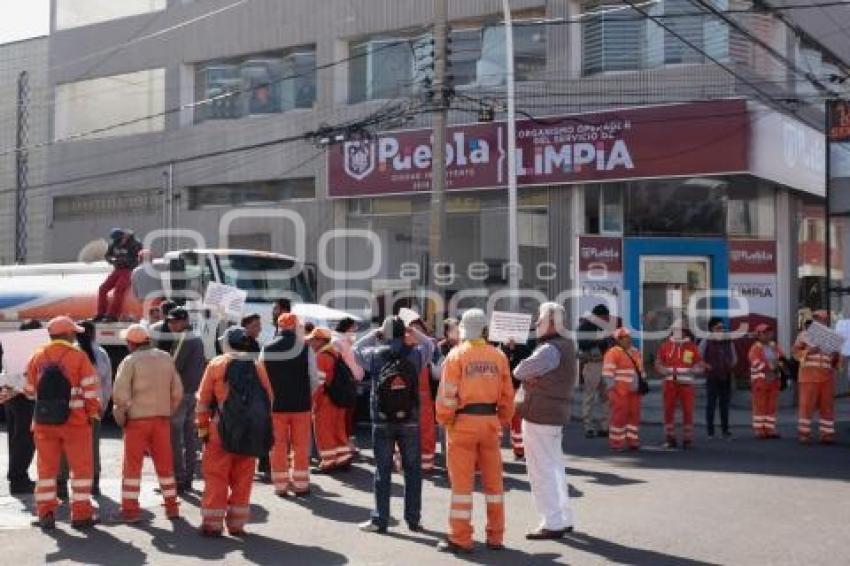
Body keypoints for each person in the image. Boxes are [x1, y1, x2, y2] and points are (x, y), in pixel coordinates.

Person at [435, 309, 515, 554]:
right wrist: (502, 418)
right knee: (494, 483)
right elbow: (507, 395)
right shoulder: (499, 356)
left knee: (462, 485)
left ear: (463, 330)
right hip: (489, 423)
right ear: (483, 329)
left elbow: (447, 394)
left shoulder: (456, 355)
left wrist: (445, 420)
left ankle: (460, 537)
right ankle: (496, 536)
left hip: (463, 424)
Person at [354, 316, 433, 534]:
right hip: (410, 420)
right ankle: (414, 520)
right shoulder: (416, 355)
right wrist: (413, 332)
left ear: (384, 333)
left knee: (383, 471)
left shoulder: (374, 355)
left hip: (381, 420)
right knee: (412, 471)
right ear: (402, 333)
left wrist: (375, 332)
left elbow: (356, 348)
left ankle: (380, 520)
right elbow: (430, 345)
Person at [24, 316, 101, 530]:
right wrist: (92, 414)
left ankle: (46, 513)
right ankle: (81, 515)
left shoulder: (37, 356)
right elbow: (91, 393)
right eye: (74, 332)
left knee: (46, 470)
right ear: (68, 334)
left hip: (44, 423)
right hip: (75, 424)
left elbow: (29, 393)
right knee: (81, 469)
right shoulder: (79, 357)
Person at [196, 326, 274, 537]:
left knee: (215, 476)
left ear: (227, 343)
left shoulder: (217, 364)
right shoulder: (257, 365)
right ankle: (237, 525)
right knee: (243, 479)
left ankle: (212, 524)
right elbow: (269, 399)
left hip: (220, 431)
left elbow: (203, 402)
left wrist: (203, 430)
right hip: (249, 432)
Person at [513, 302, 576, 540]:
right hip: (554, 413)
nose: (536, 324)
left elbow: (519, 371)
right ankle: (562, 517)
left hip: (541, 413)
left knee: (541, 470)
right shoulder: (566, 344)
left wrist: (532, 378)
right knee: (554, 466)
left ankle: (552, 522)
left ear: (551, 323)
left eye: (540, 320)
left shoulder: (549, 349)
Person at [112, 324, 184, 522]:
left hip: (137, 421)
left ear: (131, 343)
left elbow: (120, 395)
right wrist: (168, 411)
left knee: (132, 467)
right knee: (165, 465)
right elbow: (177, 391)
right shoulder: (165, 358)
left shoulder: (130, 361)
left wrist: (121, 416)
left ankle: (130, 510)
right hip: (161, 420)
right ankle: (172, 507)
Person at [262, 313, 320, 496]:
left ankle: (280, 486)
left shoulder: (267, 348)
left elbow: (262, 377)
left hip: (275, 406)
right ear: (295, 327)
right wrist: (306, 395)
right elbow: (314, 378)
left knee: (277, 446)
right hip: (300, 406)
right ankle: (301, 485)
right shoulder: (305, 347)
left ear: (279, 327)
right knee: (301, 445)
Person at [58, 321, 112, 499]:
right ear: (94, 334)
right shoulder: (101, 354)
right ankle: (94, 483)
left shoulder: (68, 353)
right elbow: (106, 384)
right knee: (92, 447)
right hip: (93, 408)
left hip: (68, 410)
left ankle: (62, 484)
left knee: (65, 448)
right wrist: (103, 405)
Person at [162, 307, 207, 493]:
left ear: (184, 321)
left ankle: (179, 478)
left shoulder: (184, 338)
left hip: (182, 395)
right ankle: (187, 478)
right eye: (170, 321)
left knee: (175, 438)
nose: (171, 324)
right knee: (189, 439)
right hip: (194, 393)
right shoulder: (195, 338)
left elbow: (173, 366)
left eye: (174, 321)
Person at [0, 320, 42, 495]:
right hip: (24, 398)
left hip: (12, 398)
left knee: (16, 440)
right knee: (24, 440)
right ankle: (19, 480)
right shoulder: (32, 351)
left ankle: (16, 477)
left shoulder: (11, 349)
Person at [308, 327, 353, 472]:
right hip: (338, 398)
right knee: (338, 429)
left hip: (326, 399)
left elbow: (319, 383)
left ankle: (328, 462)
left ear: (320, 340)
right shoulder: (334, 353)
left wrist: (314, 401)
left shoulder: (321, 356)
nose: (311, 343)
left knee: (324, 430)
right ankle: (343, 457)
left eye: (313, 340)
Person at [655, 322, 705, 449]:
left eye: (681, 330)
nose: (678, 333)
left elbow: (700, 364)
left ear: (685, 332)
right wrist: (662, 370)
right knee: (668, 410)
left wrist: (695, 369)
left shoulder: (692, 347)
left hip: (686, 384)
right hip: (669, 383)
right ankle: (670, 439)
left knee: (688, 411)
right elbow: (658, 363)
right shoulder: (665, 346)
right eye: (675, 330)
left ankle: (687, 440)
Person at [793, 310, 840, 444]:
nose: (820, 321)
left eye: (822, 319)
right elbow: (795, 354)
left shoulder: (832, 337)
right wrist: (808, 351)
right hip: (809, 377)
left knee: (827, 407)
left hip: (827, 378)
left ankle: (827, 434)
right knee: (806, 406)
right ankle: (804, 434)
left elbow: (836, 361)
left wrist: (836, 355)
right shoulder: (804, 335)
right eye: (817, 319)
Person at [602, 327, 643, 452]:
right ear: (618, 340)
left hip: (634, 391)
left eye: (629, 337)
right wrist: (611, 390)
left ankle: (633, 441)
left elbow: (641, 371)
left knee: (634, 416)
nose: (628, 339)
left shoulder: (635, 352)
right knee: (619, 417)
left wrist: (642, 386)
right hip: (619, 391)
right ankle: (616, 443)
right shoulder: (613, 353)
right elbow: (608, 374)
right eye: (625, 337)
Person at [577, 304, 614, 439]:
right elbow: (582, 344)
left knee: (606, 397)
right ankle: (588, 427)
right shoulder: (585, 326)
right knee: (589, 396)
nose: (606, 319)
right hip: (592, 363)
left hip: (606, 363)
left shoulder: (606, 326)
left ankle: (606, 426)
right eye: (604, 317)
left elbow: (612, 342)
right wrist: (597, 340)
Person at [699, 318, 737, 440]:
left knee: (724, 405)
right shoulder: (706, 341)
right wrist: (706, 366)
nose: (721, 330)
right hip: (712, 377)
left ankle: (725, 430)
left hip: (725, 376)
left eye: (722, 327)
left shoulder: (728, 341)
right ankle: (710, 432)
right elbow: (699, 357)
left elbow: (734, 356)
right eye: (718, 328)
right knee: (711, 404)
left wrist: (730, 365)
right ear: (712, 329)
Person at [332, 317, 365, 456]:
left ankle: (347, 443)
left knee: (350, 415)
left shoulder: (347, 341)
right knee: (345, 416)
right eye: (354, 327)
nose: (356, 330)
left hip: (352, 381)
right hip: (345, 383)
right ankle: (344, 443)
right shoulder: (338, 342)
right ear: (347, 327)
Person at [409, 317, 438, 472]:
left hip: (425, 396)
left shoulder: (430, 347)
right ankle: (407, 461)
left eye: (417, 329)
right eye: (411, 329)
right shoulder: (402, 348)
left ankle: (426, 463)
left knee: (426, 430)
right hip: (406, 397)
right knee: (407, 430)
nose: (414, 332)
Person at [95, 228, 143, 322]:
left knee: (119, 289)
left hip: (128, 270)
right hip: (117, 269)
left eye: (120, 240)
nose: (118, 242)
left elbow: (139, 259)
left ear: (124, 236)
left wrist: (125, 261)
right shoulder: (115, 243)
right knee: (102, 288)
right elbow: (107, 255)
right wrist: (112, 260)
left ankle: (112, 315)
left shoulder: (135, 244)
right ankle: (101, 313)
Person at [748, 323, 785, 439]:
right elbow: (756, 363)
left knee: (772, 406)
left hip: (773, 381)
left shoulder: (775, 346)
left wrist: (776, 367)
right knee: (760, 406)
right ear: (758, 335)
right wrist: (771, 367)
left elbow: (782, 360)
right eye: (764, 333)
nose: (768, 335)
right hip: (760, 382)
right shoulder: (755, 348)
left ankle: (770, 429)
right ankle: (759, 429)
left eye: (769, 332)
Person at [501, 338, 533, 460]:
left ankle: (519, 450)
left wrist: (513, 351)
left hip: (516, 387)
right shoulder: (499, 347)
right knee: (499, 421)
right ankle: (492, 450)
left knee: (516, 420)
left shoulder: (524, 348)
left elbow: (523, 366)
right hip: (502, 388)